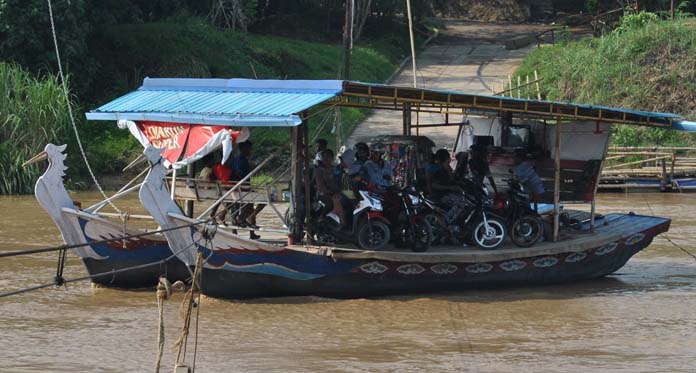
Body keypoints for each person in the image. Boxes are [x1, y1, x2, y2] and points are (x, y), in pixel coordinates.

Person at [231, 141, 265, 239]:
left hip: (243, 188)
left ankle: (251, 233)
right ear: (244, 149)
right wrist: (244, 183)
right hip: (241, 188)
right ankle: (242, 219)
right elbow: (238, 173)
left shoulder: (240, 159)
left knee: (250, 208)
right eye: (249, 149)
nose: (251, 151)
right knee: (262, 201)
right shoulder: (241, 160)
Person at [315, 149, 345, 226]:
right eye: (325, 157)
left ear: (332, 158)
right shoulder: (319, 170)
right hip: (324, 194)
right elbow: (320, 186)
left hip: (337, 193)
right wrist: (331, 192)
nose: (327, 159)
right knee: (335, 200)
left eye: (329, 157)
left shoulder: (334, 169)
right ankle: (340, 222)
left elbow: (340, 180)